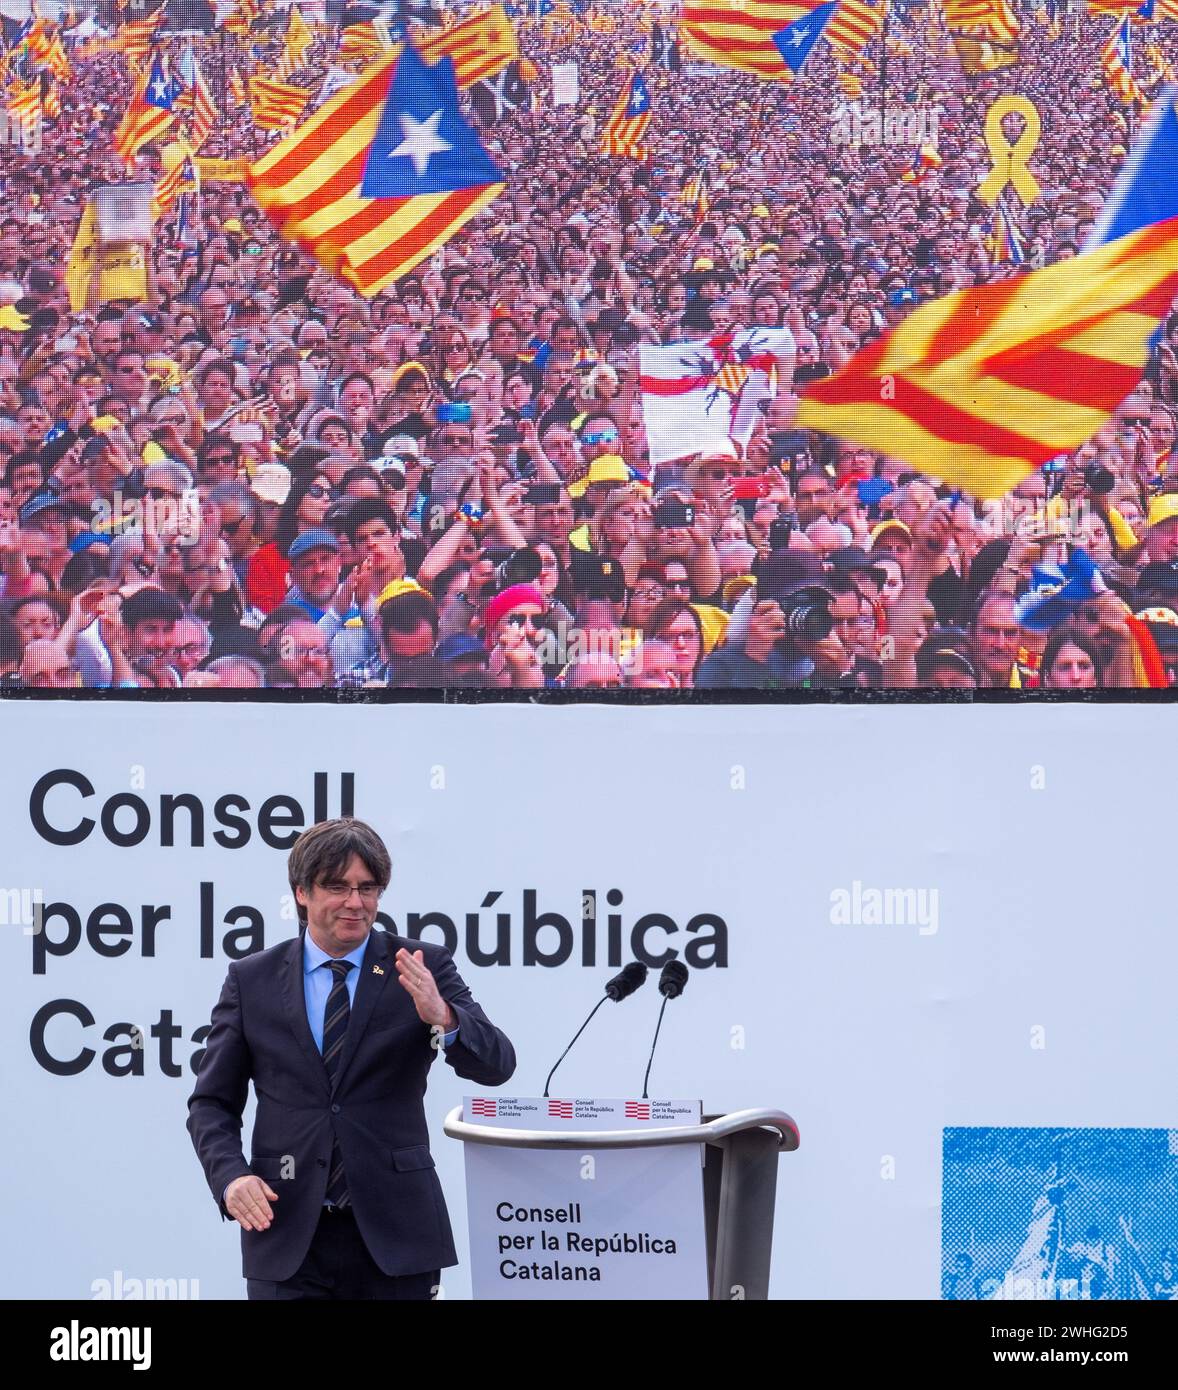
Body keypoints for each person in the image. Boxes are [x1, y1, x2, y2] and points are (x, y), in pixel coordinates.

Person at [187, 817, 516, 1300]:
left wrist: (443, 1016)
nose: (355, 903)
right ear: (301, 892)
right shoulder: (251, 979)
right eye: (337, 887)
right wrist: (231, 1178)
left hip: (396, 1236)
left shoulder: (422, 965)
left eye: (368, 888)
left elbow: (497, 1065)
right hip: (286, 1232)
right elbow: (210, 1104)